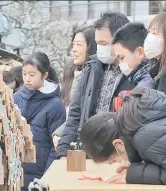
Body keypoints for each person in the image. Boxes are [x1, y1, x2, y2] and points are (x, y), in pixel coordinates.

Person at [56, 11, 134, 159]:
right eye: (97, 43)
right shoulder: (92, 68)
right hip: (89, 152)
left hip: (119, 155)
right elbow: (76, 112)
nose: (100, 48)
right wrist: (63, 151)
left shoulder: (136, 73)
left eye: (104, 43)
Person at [79, 87, 166, 186]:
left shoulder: (145, 137)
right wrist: (137, 168)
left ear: (118, 144)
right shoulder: (146, 123)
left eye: (114, 160)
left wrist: (134, 175)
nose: (119, 163)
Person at [13, 51, 66, 191]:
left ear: (45, 75)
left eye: (32, 74)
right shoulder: (15, 98)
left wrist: (47, 177)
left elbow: (56, 146)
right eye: (24, 74)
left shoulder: (56, 106)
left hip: (39, 170)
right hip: (16, 170)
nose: (27, 79)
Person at [53, 25, 96, 147]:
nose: (74, 50)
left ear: (91, 47)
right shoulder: (72, 73)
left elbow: (80, 112)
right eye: (73, 45)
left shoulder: (94, 75)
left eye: (79, 45)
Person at [111, 22, 153, 112]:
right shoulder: (141, 79)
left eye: (122, 58)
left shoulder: (146, 86)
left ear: (140, 53)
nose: (119, 64)